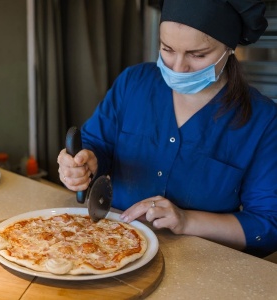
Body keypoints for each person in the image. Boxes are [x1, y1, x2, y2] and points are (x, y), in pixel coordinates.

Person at [57, 0, 277, 258]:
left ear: (229, 48)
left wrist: (186, 221)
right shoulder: (133, 83)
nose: (178, 67)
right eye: (167, 49)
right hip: (107, 247)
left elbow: (268, 226)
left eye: (198, 55)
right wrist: (83, 164)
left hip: (199, 264)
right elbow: (97, 146)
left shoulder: (262, 119)